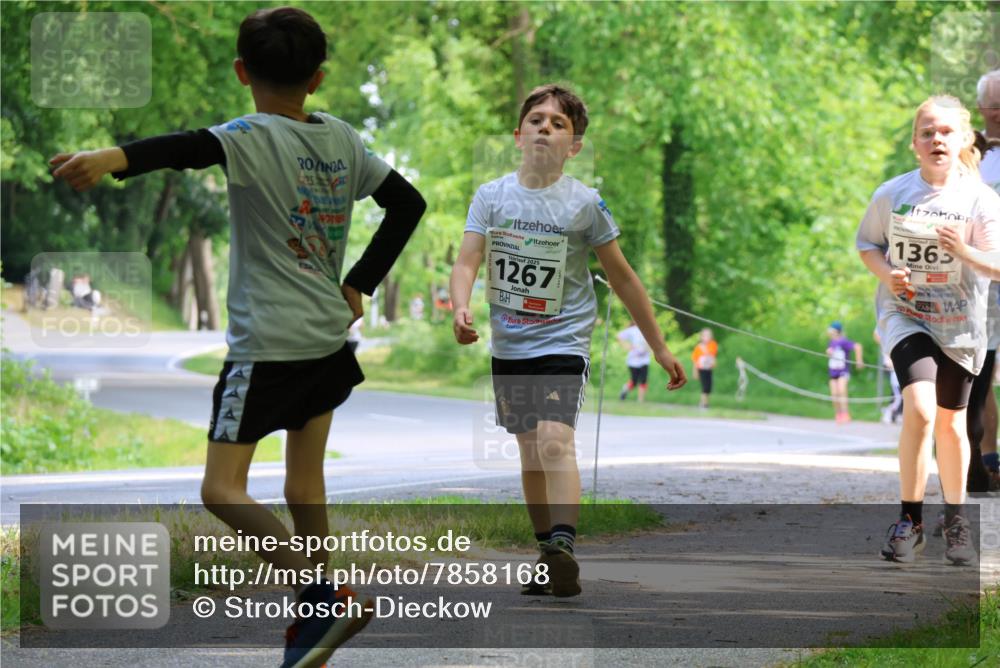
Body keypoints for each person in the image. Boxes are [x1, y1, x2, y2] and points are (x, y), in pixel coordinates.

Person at [50, 7, 426, 666]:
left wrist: (112, 157)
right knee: (304, 487)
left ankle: (322, 596)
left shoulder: (249, 134)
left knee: (220, 490)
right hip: (327, 341)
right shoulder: (341, 138)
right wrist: (360, 282)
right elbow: (408, 203)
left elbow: (185, 146)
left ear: (241, 72)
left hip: (267, 348)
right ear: (318, 78)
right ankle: (313, 626)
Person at [450, 84, 686, 597]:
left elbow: (623, 278)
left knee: (555, 440)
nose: (545, 128)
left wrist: (660, 347)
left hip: (564, 341)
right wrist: (462, 303)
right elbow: (469, 259)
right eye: (536, 120)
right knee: (530, 453)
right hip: (509, 346)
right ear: (518, 135)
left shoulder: (585, 204)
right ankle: (545, 553)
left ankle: (564, 543)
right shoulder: (491, 196)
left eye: (559, 124)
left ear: (574, 146)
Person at [856, 94, 1000, 565]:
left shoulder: (981, 199)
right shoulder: (892, 193)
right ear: (915, 144)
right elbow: (868, 244)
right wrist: (887, 275)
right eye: (926, 132)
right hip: (908, 316)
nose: (936, 138)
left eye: (945, 132)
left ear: (962, 141)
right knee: (919, 406)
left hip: (960, 325)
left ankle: (956, 521)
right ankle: (910, 520)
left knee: (952, 424)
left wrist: (964, 251)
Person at [967, 70, 1000, 492]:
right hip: (982, 274)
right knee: (981, 366)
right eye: (995, 104)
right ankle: (986, 457)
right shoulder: (968, 149)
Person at [826, 321, 863, 423]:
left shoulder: (843, 341)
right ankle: (838, 414)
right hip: (833, 371)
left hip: (843, 371)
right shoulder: (831, 342)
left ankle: (845, 414)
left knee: (842, 391)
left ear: (836, 331)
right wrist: (829, 352)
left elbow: (857, 346)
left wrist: (859, 360)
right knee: (834, 394)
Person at [873, 328, 903, 424]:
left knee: (901, 396)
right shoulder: (887, 345)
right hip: (894, 373)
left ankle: (898, 415)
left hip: (900, 372)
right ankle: (888, 413)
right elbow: (888, 363)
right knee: (898, 397)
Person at [617, 320, 651, 402]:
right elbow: (619, 336)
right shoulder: (633, 330)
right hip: (633, 360)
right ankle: (624, 391)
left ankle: (640, 400)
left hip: (644, 359)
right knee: (634, 381)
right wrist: (627, 346)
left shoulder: (648, 329)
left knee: (643, 380)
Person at [691, 327, 718, 409]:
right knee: (705, 386)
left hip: (708, 369)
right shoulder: (698, 347)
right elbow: (695, 360)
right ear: (701, 337)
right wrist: (695, 371)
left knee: (709, 386)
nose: (707, 337)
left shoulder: (713, 344)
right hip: (701, 369)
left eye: (709, 335)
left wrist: (704, 347)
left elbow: (712, 354)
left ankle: (705, 402)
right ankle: (704, 404)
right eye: (705, 335)